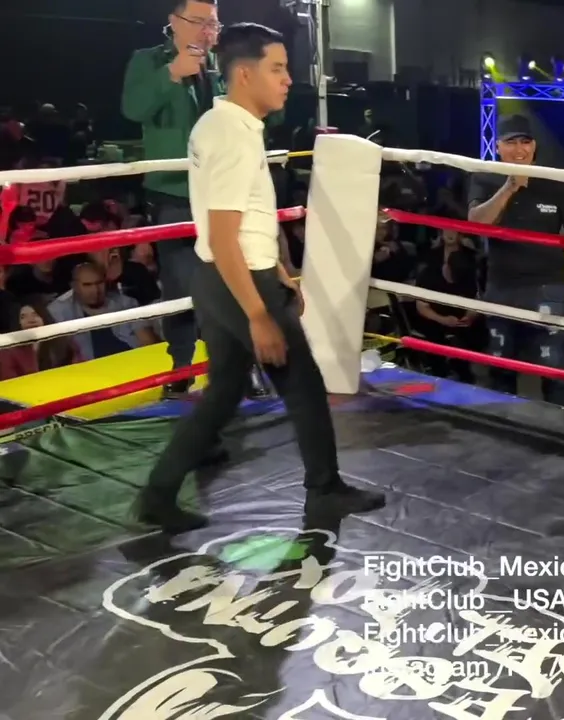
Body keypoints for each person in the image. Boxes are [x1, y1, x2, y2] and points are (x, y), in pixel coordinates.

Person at [138, 23, 384, 534]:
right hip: (238, 281)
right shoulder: (232, 136)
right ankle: (324, 489)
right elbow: (226, 234)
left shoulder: (221, 124)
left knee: (226, 389)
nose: (288, 79)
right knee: (304, 384)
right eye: (278, 68)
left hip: (221, 276)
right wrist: (258, 313)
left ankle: (157, 493)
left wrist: (277, 268)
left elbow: (236, 224)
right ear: (245, 74)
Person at [121, 0, 271, 400]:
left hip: (222, 188)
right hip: (173, 192)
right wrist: (172, 73)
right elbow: (132, 109)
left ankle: (240, 366)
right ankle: (183, 367)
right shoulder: (148, 61)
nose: (208, 31)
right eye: (200, 22)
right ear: (175, 22)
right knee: (182, 285)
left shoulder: (219, 64)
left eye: (214, 23)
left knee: (233, 276)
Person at [467, 114, 564, 406]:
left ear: (534, 145)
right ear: (497, 146)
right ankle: (503, 423)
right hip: (502, 286)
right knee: (501, 367)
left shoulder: (556, 182)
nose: (519, 149)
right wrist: (509, 187)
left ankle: (555, 426)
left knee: (553, 369)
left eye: (525, 142)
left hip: (547, 287)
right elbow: (477, 224)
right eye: (511, 142)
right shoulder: (485, 177)